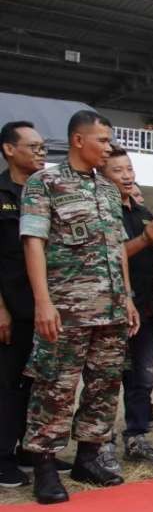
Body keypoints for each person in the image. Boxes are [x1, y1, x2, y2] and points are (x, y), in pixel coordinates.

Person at [19, 110, 140, 504]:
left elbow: (117, 247)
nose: (108, 148)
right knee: (55, 386)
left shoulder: (107, 189)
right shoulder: (45, 183)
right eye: (102, 141)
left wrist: (127, 296)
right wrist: (43, 302)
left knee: (105, 385)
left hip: (110, 307)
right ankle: (45, 466)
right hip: (66, 308)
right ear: (78, 140)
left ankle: (88, 457)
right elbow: (33, 242)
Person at [1, 120, 62, 488]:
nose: (41, 152)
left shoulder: (47, 192)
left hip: (47, 307)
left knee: (38, 383)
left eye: (43, 147)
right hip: (12, 306)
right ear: (10, 149)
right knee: (7, 383)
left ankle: (29, 448)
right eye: (34, 146)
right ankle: (3, 455)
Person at [101, 144, 153, 467]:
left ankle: (136, 437)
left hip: (147, 309)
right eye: (118, 170)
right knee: (107, 377)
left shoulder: (142, 213)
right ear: (102, 174)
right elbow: (108, 255)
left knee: (143, 377)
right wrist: (144, 240)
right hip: (112, 310)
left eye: (129, 169)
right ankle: (101, 441)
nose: (126, 176)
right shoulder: (102, 211)